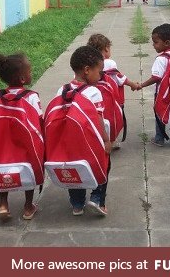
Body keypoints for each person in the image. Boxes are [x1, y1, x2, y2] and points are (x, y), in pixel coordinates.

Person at [55, 46, 111, 216]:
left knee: (74, 169)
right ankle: (97, 199)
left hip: (69, 143)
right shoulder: (93, 92)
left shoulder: (62, 89)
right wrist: (106, 140)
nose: (100, 75)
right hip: (90, 141)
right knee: (103, 164)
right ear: (87, 70)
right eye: (99, 71)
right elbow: (98, 119)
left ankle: (77, 204)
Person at [0, 52, 43, 220]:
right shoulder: (31, 96)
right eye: (30, 71)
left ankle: (3, 203)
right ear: (23, 79)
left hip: (2, 144)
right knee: (30, 169)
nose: (31, 73)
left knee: (3, 169)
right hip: (24, 144)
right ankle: (28, 206)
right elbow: (38, 121)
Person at [87, 34, 139, 148]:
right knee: (111, 119)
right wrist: (133, 85)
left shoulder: (88, 64)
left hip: (92, 97)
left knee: (96, 118)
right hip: (109, 98)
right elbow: (119, 79)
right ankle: (111, 141)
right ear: (106, 48)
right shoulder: (109, 63)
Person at [138, 24, 170, 148]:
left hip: (163, 94)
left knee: (159, 114)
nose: (153, 45)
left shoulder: (161, 59)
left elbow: (156, 78)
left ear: (167, 43)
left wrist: (142, 85)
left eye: (156, 42)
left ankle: (159, 139)